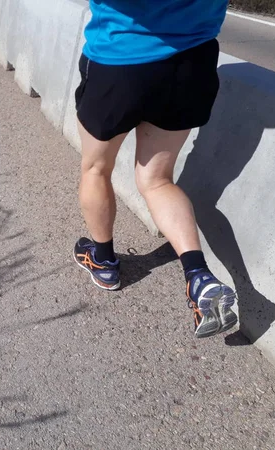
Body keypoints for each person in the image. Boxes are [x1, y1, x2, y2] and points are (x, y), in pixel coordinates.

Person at [73, 0, 238, 338]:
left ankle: (103, 262)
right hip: (193, 63)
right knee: (157, 180)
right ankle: (198, 274)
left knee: (96, 168)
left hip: (120, 57)